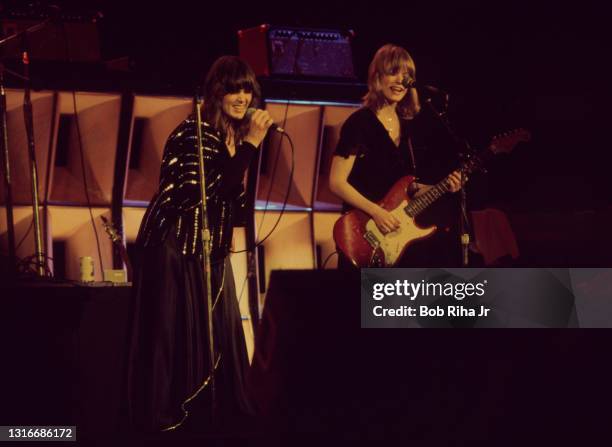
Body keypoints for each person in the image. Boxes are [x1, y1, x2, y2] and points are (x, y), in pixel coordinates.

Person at [125, 56, 274, 432]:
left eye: (247, 89)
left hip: (207, 248)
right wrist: (253, 144)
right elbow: (205, 189)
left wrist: (245, 147)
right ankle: (170, 414)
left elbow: (230, 197)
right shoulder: (194, 131)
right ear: (216, 91)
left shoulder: (228, 138)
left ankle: (222, 407)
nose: (242, 97)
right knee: (172, 332)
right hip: (176, 246)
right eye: (233, 89)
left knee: (220, 328)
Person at [329, 44, 463, 269]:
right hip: (362, 229)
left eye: (407, 75)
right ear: (377, 77)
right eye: (394, 72)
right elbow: (336, 182)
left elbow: (409, 186)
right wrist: (376, 212)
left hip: (394, 237)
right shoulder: (359, 123)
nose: (401, 80)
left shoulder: (408, 127)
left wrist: (443, 186)